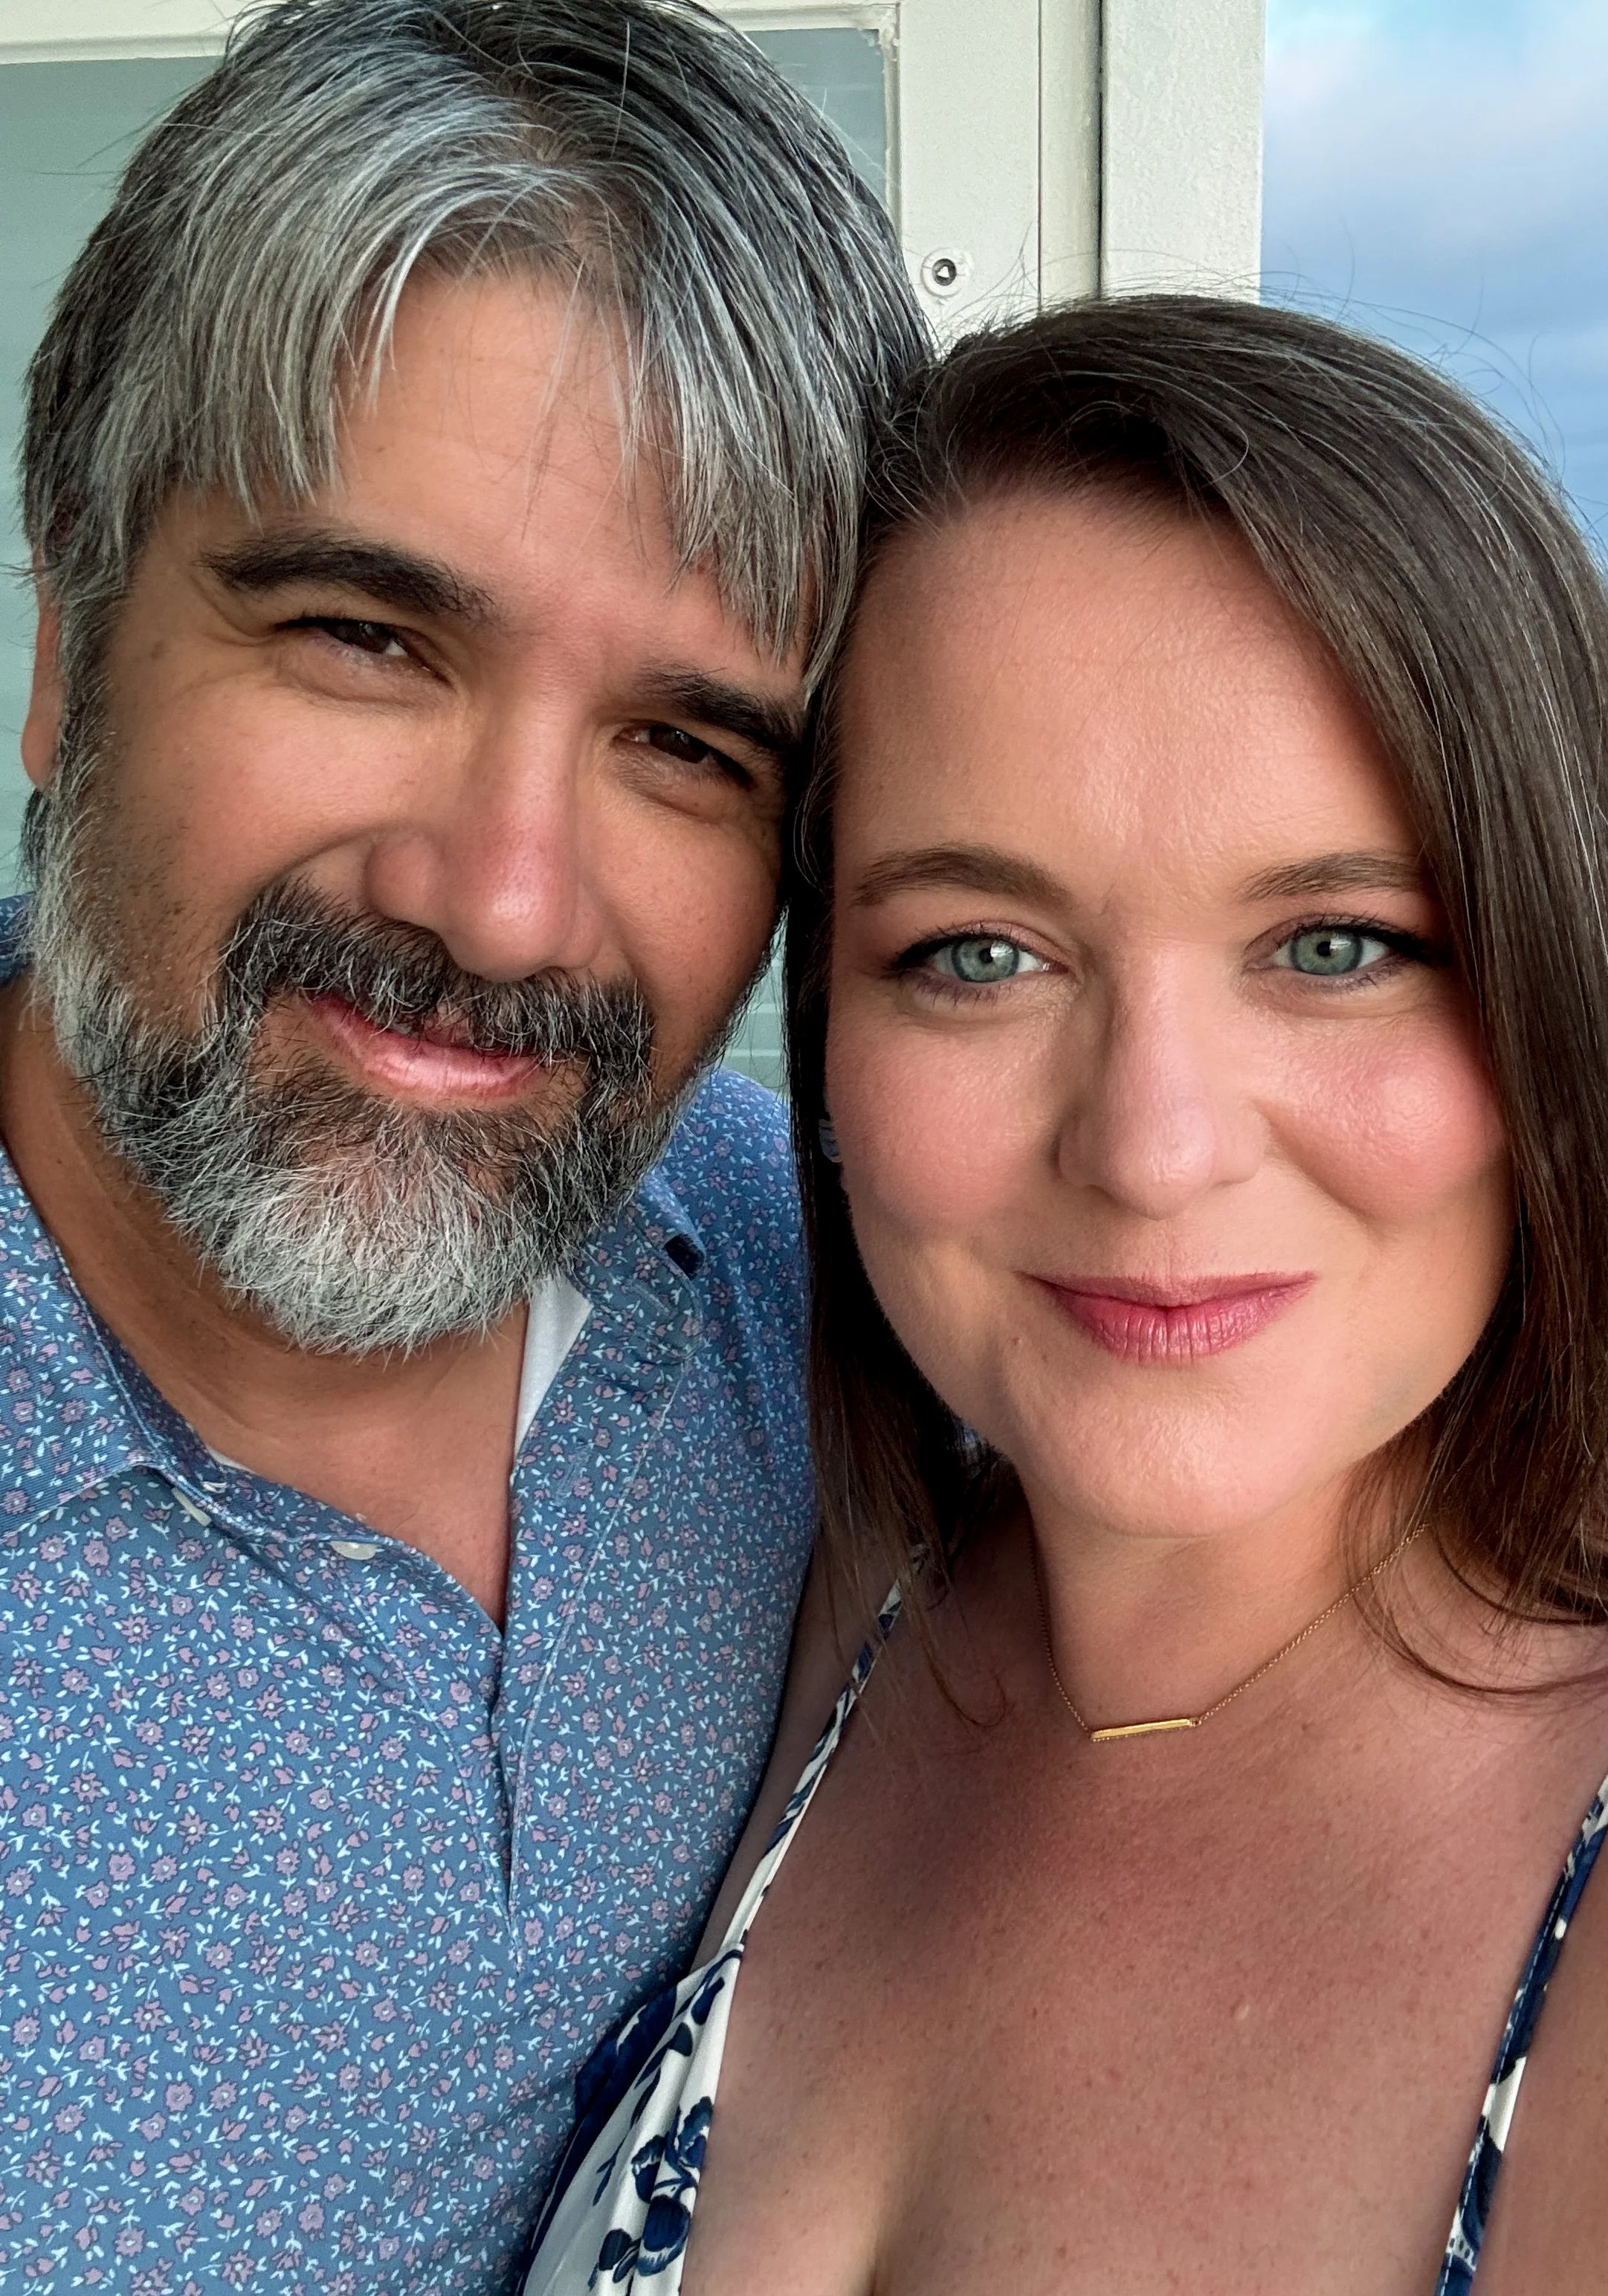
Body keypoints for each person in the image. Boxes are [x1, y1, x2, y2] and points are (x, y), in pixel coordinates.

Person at [527, 297, 1608, 2295]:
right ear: (816, 1030)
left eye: (1335, 943)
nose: (1152, 1147)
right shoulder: (825, 1614)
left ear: (1556, 1011)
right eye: (977, 954)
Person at [0, 1, 927, 2286]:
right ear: (64, 652)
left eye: (685, 749)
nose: (499, 898)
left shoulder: (822, 1284)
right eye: (366, 637)